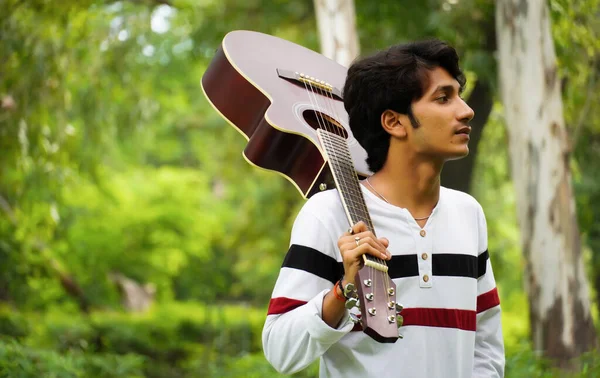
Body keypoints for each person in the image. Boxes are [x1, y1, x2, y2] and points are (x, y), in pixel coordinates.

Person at [262, 39, 505, 378]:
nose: (466, 110)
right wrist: (342, 290)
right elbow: (280, 350)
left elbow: (487, 347)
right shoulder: (328, 213)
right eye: (443, 98)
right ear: (394, 122)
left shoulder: (468, 214)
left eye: (459, 96)